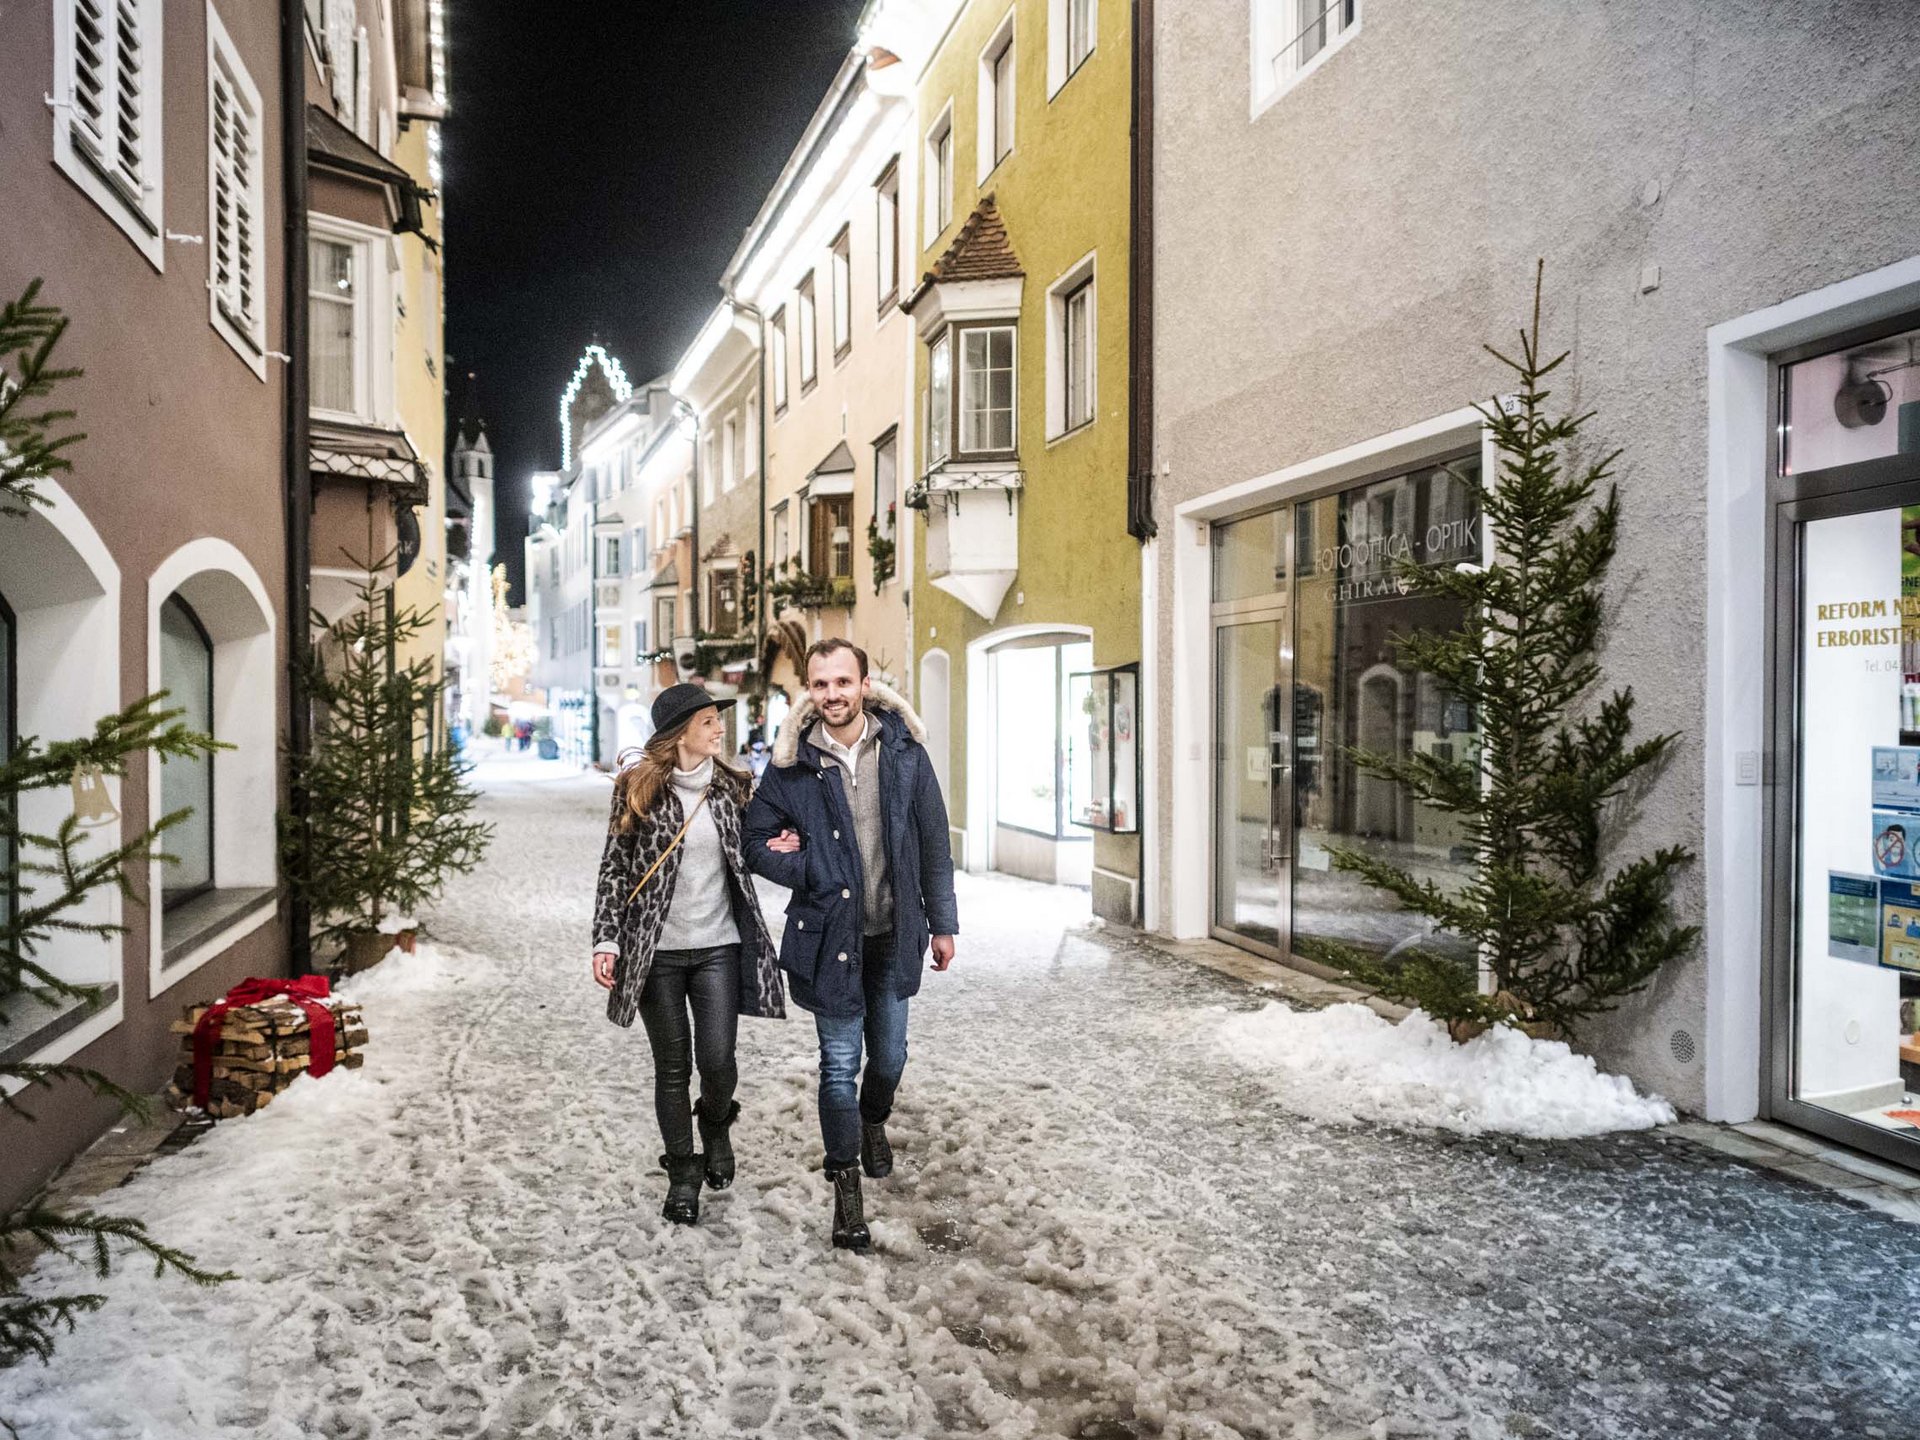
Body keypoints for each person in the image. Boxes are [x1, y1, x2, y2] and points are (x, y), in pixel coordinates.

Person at [744, 639, 958, 1252]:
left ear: (865, 685)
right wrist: (808, 866)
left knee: (888, 1058)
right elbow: (755, 841)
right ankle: (846, 1193)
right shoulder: (790, 766)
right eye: (820, 684)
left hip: (894, 934)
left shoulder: (904, 753)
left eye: (843, 682)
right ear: (808, 691)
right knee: (838, 1066)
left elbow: (934, 843)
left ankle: (873, 1123)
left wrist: (942, 924)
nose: (832, 694)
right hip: (827, 938)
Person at [591, 683, 786, 1225]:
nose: (719, 729)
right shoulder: (638, 790)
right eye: (707, 722)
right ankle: (683, 1171)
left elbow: (756, 845)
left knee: (719, 1059)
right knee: (672, 1067)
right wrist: (606, 938)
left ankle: (717, 1124)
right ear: (680, 733)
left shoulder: (733, 788)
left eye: (716, 720)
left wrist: (780, 844)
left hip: (718, 946)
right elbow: (614, 867)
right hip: (656, 952)